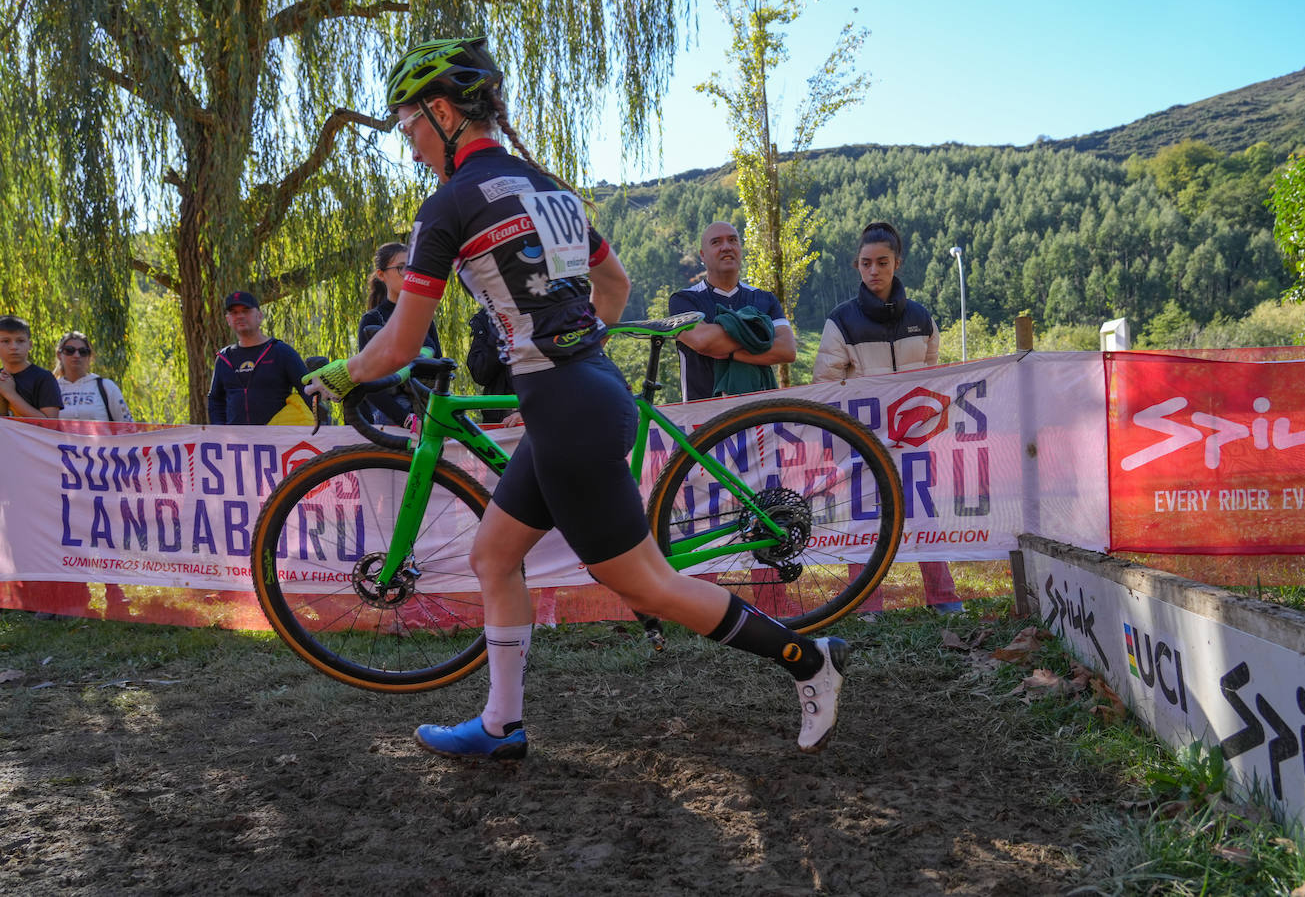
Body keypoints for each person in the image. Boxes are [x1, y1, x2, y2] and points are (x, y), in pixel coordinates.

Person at [305, 37, 846, 761]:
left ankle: (808, 661)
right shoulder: (549, 188)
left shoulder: (448, 207)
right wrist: (571, 349)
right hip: (587, 393)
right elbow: (616, 288)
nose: (408, 148)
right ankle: (502, 724)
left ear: (441, 112)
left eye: (408, 128)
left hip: (566, 412)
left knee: (649, 587)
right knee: (495, 555)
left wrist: (340, 373)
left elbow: (400, 347)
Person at [813, 222, 963, 615]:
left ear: (897, 263)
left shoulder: (921, 317)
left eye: (882, 262)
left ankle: (943, 599)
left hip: (913, 442)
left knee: (922, 516)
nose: (874, 271)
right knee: (864, 522)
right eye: (866, 263)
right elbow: (825, 386)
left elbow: (929, 377)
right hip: (861, 442)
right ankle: (867, 606)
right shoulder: (840, 321)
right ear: (857, 267)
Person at [667, 221, 797, 400]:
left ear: (740, 249)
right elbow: (703, 340)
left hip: (760, 416)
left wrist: (730, 352)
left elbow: (787, 350)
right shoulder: (683, 300)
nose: (726, 247)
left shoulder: (765, 299)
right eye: (716, 242)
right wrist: (760, 335)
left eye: (732, 240)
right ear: (702, 255)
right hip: (704, 418)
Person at [358, 242, 443, 426]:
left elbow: (440, 371)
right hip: (393, 417)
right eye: (401, 268)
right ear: (381, 275)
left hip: (428, 411)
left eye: (412, 267)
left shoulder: (424, 315)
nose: (409, 273)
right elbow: (367, 383)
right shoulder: (372, 320)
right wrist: (406, 419)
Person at [207, 291, 310, 425]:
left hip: (278, 440)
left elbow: (308, 390)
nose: (240, 316)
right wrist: (220, 430)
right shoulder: (224, 358)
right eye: (234, 312)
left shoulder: (281, 351)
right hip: (236, 443)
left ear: (259, 316)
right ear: (228, 320)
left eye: (246, 310)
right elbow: (215, 400)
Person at [52, 331, 135, 422]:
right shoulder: (51, 388)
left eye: (83, 352)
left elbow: (127, 426)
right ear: (59, 355)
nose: (76, 355)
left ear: (89, 356)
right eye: (69, 350)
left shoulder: (107, 387)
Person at [0, 315, 62, 419]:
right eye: (6, 341)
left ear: (30, 345)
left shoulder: (44, 378)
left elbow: (51, 425)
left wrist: (10, 394)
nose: (14, 347)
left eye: (20, 341)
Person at [464, 308, 515, 424]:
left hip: (534, 409)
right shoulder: (485, 318)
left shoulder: (538, 305)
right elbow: (479, 373)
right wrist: (498, 337)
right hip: (497, 415)